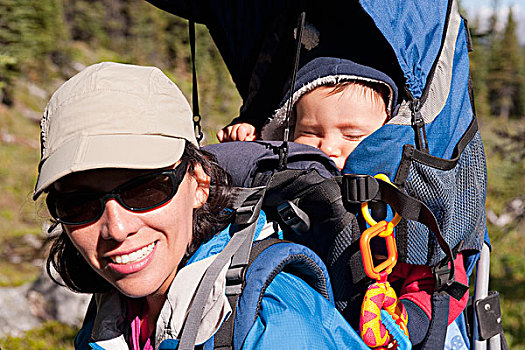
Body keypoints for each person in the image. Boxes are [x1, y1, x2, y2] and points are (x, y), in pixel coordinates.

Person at [33, 61, 369, 349]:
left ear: (200, 183)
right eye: (78, 205)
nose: (117, 229)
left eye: (145, 191)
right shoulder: (117, 309)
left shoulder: (271, 318)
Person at [216, 57, 469, 345]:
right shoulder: (290, 188)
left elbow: (442, 281)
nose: (329, 147)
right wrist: (250, 149)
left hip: (394, 329)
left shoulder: (402, 208)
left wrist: (407, 318)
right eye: (311, 133)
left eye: (351, 135)